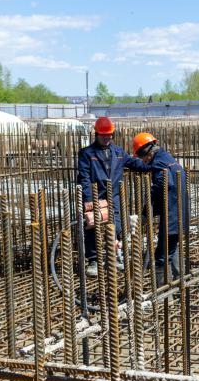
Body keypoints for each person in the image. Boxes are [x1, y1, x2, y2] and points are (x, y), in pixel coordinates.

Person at [77, 117, 134, 276]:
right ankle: (94, 260)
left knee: (116, 225)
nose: (107, 137)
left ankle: (113, 256)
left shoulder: (118, 152)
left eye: (109, 134)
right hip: (95, 194)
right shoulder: (87, 153)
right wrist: (89, 199)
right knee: (92, 225)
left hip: (113, 195)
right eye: (103, 135)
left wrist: (154, 164)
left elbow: (134, 163)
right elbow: (84, 178)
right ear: (96, 134)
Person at [131, 132, 190, 286]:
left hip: (172, 216)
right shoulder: (167, 158)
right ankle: (180, 283)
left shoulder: (159, 163)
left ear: (146, 152)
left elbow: (163, 185)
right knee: (172, 248)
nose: (143, 161)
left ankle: (165, 292)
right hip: (180, 213)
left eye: (141, 157)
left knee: (161, 256)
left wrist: (146, 211)